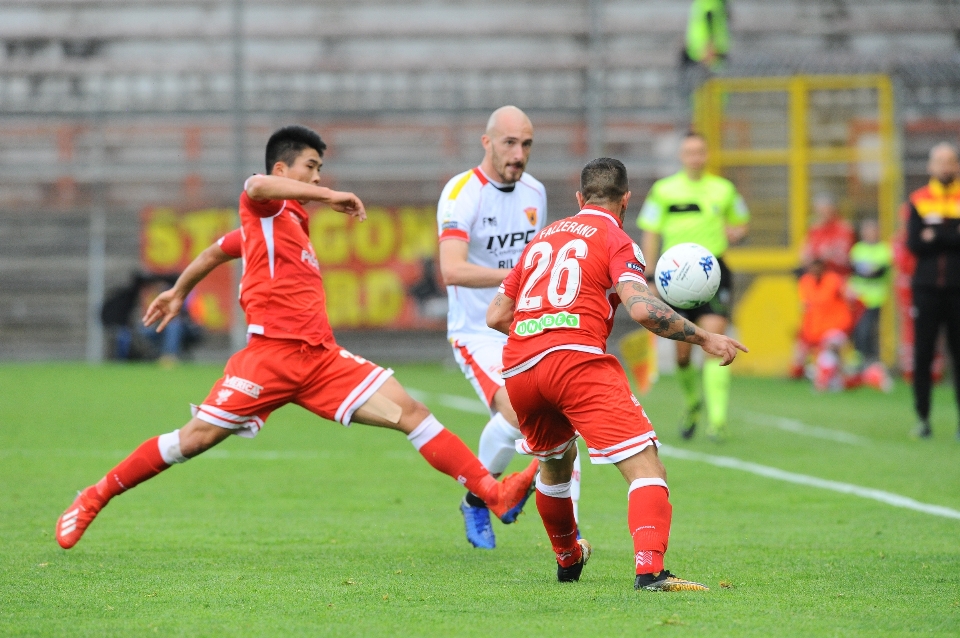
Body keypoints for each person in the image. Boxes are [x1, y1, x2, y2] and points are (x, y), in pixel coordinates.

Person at [55, 125, 538, 550]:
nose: (317, 178)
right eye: (311, 168)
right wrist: (330, 196)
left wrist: (180, 289)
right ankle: (94, 496)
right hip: (268, 361)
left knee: (411, 413)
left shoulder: (288, 222)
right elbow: (255, 184)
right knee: (193, 441)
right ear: (285, 167)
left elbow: (217, 249)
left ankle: (493, 494)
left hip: (322, 362)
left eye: (321, 170)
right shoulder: (263, 205)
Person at [487, 157, 747, 590]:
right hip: (575, 362)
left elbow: (497, 315)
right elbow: (642, 309)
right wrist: (704, 338)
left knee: (554, 464)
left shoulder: (542, 240)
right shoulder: (617, 239)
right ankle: (650, 571)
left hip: (520, 366)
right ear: (626, 200)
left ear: (578, 198)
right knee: (647, 468)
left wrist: (542, 328)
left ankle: (568, 558)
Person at [436, 105, 566, 550]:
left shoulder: (534, 192)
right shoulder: (461, 193)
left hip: (525, 325)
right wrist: (512, 277)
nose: (519, 153)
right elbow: (452, 269)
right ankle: (485, 499)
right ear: (487, 142)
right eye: (510, 143)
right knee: (518, 413)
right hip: (476, 331)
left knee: (551, 421)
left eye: (527, 144)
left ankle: (482, 501)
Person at [636, 132, 749, 441]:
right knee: (683, 354)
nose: (695, 157)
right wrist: (648, 273)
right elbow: (650, 229)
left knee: (714, 342)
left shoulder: (723, 189)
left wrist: (733, 232)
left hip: (713, 273)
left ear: (707, 154)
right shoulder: (664, 190)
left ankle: (718, 421)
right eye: (689, 152)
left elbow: (741, 221)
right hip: (675, 279)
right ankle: (692, 404)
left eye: (700, 151)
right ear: (682, 156)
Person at [906, 142, 960, 439]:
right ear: (930, 167)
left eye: (950, 161)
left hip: (957, 289)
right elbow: (914, 244)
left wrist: (935, 233)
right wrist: (951, 233)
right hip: (926, 289)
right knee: (923, 354)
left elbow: (929, 239)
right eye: (939, 161)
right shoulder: (918, 200)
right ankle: (923, 418)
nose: (944, 167)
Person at [791, 259, 854, 391]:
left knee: (830, 349)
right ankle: (830, 378)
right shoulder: (806, 282)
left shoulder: (834, 280)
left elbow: (849, 296)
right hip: (816, 328)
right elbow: (806, 308)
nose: (815, 271)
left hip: (835, 326)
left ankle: (826, 379)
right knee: (800, 353)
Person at [847, 218, 893, 390]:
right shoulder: (857, 249)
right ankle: (860, 366)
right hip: (857, 300)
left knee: (867, 332)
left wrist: (865, 272)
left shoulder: (884, 250)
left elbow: (878, 272)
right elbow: (854, 270)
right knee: (857, 332)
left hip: (875, 299)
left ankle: (871, 364)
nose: (870, 233)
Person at [800, 193, 856, 276]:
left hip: (839, 276)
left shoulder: (844, 228)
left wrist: (822, 256)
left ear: (833, 209)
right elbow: (804, 254)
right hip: (818, 277)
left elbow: (844, 257)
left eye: (824, 209)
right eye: (818, 210)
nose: (821, 213)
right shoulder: (815, 229)